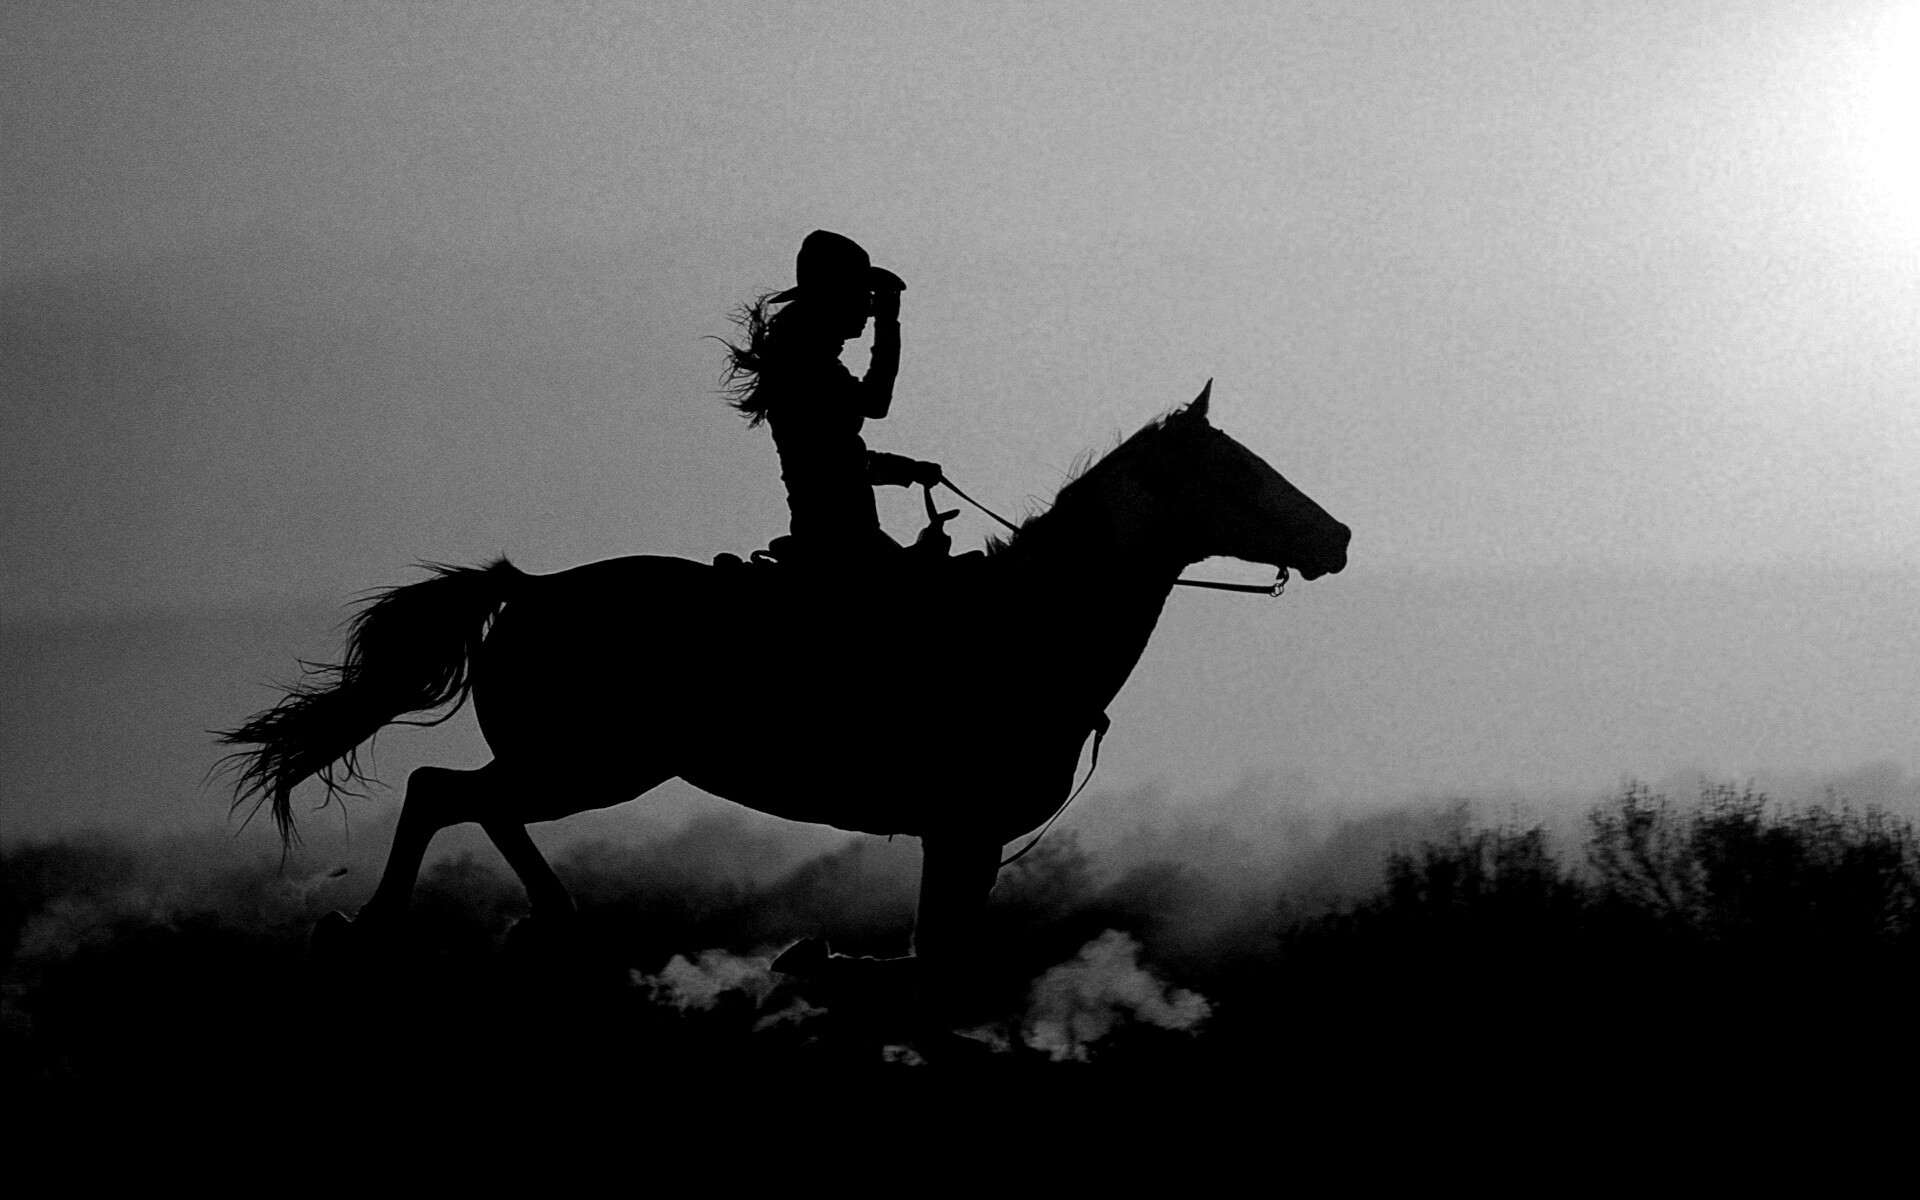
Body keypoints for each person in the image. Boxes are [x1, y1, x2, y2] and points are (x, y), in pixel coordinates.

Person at [719, 230, 944, 566]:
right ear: (836, 298)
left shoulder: (808, 362)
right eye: (863, 295)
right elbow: (875, 404)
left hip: (841, 533)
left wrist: (907, 469)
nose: (870, 308)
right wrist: (888, 325)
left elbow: (843, 459)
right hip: (840, 540)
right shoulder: (805, 365)